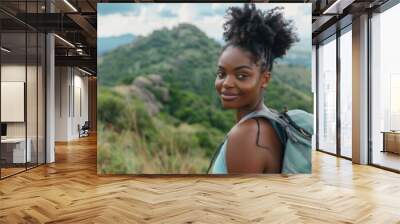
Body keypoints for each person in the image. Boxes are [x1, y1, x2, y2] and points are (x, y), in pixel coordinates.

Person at [208, 3, 299, 174]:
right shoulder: (270, 121)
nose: (226, 83)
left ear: (265, 78)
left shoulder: (246, 135)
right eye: (221, 74)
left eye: (241, 75)